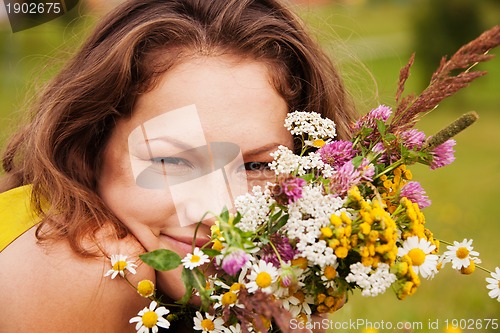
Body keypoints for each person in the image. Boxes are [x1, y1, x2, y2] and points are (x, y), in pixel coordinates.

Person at [0, 0, 357, 331]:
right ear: (90, 147)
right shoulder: (97, 270)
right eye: (171, 160)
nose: (219, 212)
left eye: (255, 167)